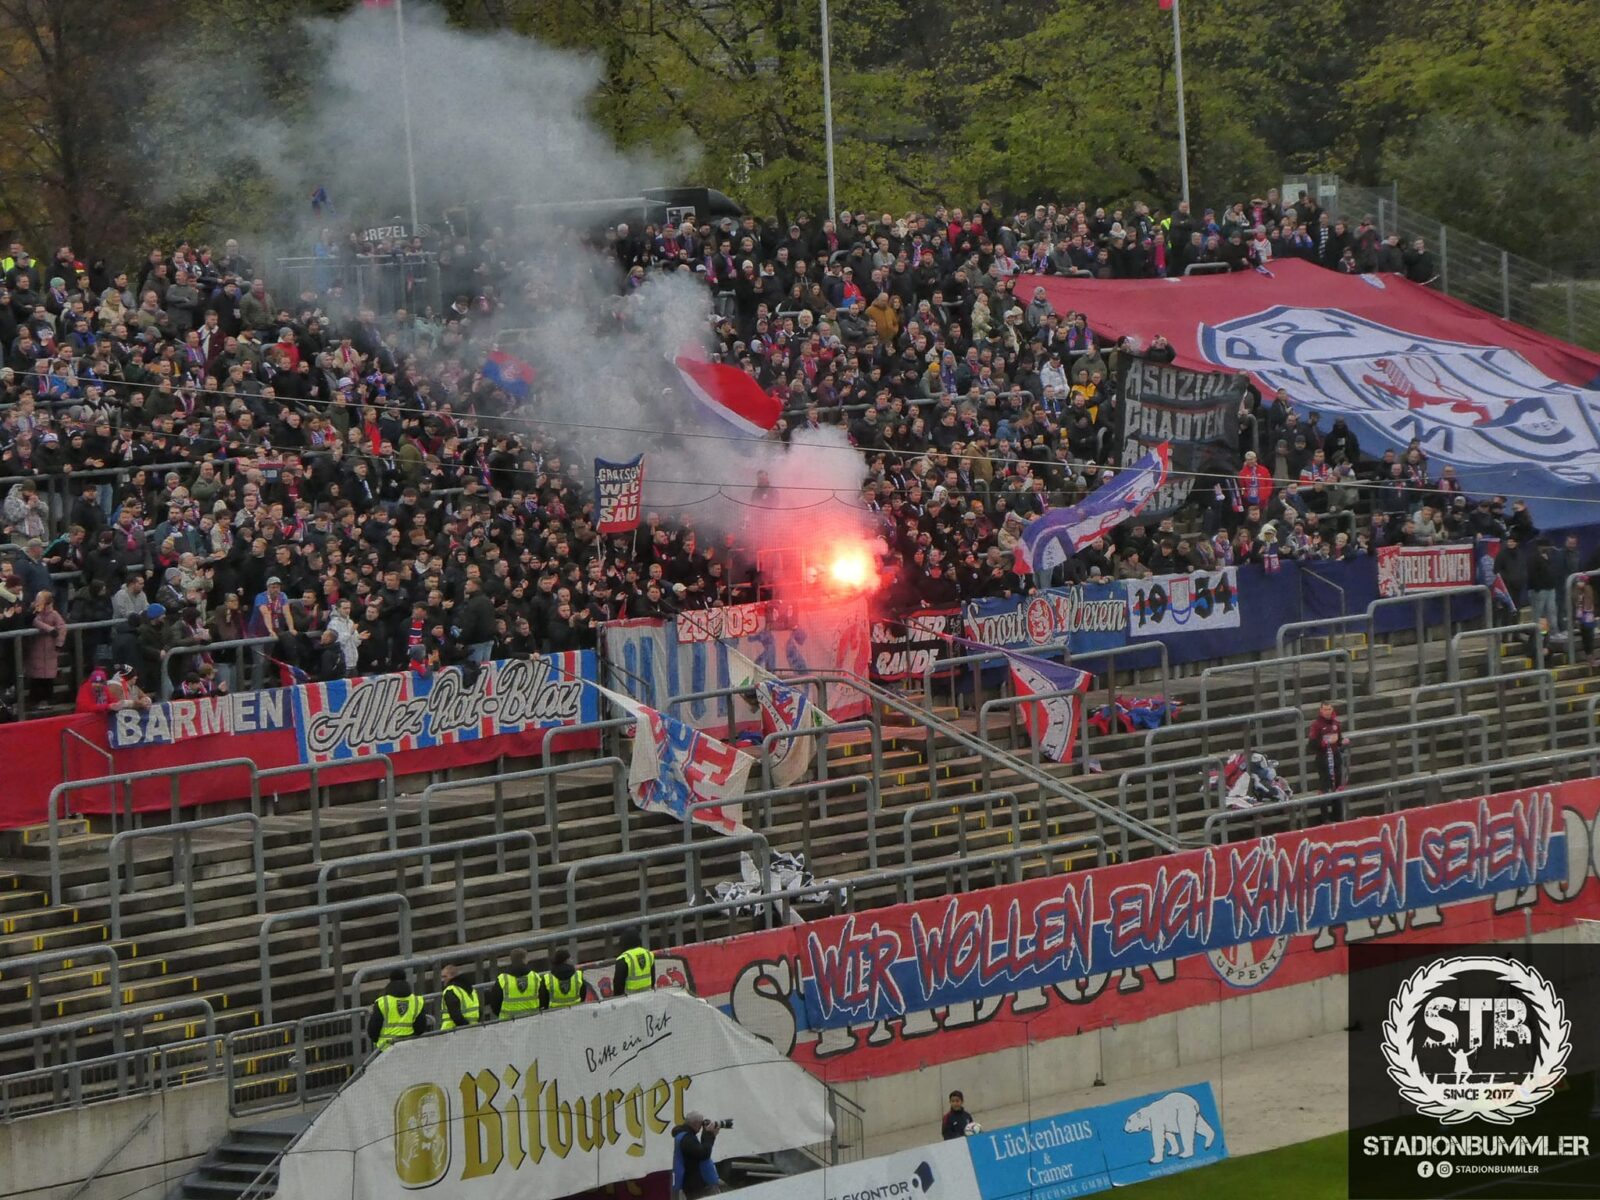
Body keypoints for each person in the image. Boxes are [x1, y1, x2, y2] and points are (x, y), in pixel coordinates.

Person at [368, 970, 430, 1051]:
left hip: (386, 1049)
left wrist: (376, 1040)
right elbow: (421, 1028)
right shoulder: (417, 1001)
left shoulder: (383, 1002)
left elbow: (373, 1029)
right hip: (409, 1047)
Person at [26, 589, 67, 705]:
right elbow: (35, 621)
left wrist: (59, 643)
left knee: (48, 677)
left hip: (50, 650)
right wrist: (49, 629)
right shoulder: (34, 611)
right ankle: (34, 699)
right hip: (36, 647)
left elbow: (62, 627)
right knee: (36, 676)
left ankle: (48, 698)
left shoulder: (54, 614)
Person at [671, 1112, 724, 1199]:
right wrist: (709, 1134)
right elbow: (704, 1154)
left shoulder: (684, 1136)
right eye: (701, 1123)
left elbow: (701, 1150)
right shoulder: (686, 1138)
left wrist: (710, 1135)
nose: (701, 1127)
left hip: (694, 1183)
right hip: (697, 1185)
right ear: (695, 1123)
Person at [1307, 700, 1350, 796]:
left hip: (1335, 756)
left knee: (1338, 783)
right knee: (1324, 784)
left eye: (1329, 709)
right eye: (1325, 709)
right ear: (1321, 710)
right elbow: (1311, 744)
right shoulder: (1316, 725)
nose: (1327, 712)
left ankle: (1337, 807)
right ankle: (1324, 808)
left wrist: (1342, 742)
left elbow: (1339, 740)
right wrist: (1322, 743)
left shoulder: (1336, 723)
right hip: (1323, 757)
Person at [486, 949, 542, 1020]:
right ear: (524, 960)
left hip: (508, 1023)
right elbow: (542, 998)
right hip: (532, 1020)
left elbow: (495, 1004)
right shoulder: (535, 977)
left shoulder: (502, 979)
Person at [439, 962, 481, 1031]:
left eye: (444, 976)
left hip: (452, 1031)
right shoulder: (472, 990)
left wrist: (466, 1028)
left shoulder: (450, 990)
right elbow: (479, 1010)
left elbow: (455, 1015)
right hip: (474, 1028)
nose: (442, 980)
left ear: (453, 976)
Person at [615, 928, 656, 996]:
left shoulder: (623, 959)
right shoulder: (649, 954)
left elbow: (618, 988)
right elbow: (653, 981)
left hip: (630, 1001)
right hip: (648, 998)